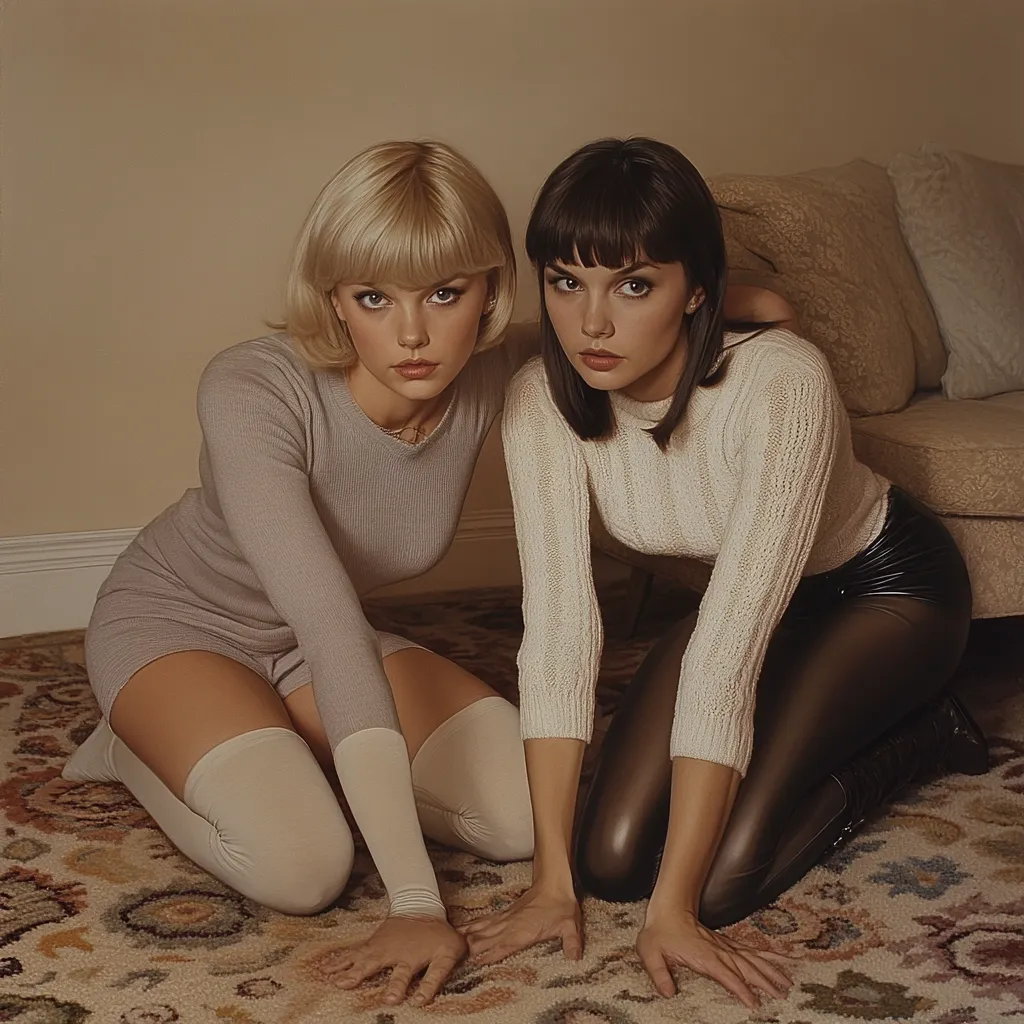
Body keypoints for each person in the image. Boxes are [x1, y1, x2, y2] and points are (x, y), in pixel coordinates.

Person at [462, 137, 987, 1010]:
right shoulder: (541, 404)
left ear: (695, 287)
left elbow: (726, 655)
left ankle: (929, 734)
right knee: (609, 859)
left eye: (634, 285)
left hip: (886, 591)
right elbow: (558, 632)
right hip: (744, 605)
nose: (592, 322)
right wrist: (551, 884)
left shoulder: (779, 383)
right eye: (566, 281)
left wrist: (671, 913)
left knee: (719, 880)